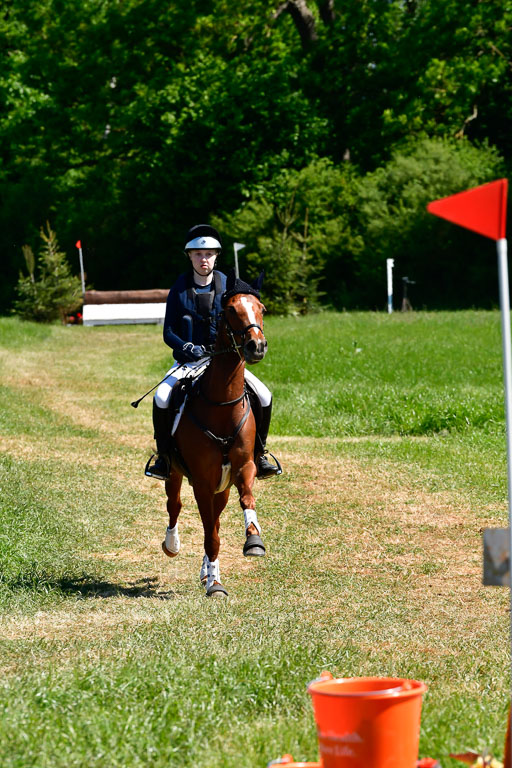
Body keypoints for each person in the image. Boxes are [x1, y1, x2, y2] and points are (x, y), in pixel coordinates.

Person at [145, 224, 281, 482]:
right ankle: (163, 458)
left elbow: (246, 310)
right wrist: (186, 347)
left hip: (224, 362)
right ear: (189, 256)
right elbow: (168, 332)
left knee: (264, 395)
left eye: (208, 254)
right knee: (161, 396)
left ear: (216, 256)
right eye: (198, 254)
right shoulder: (179, 288)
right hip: (188, 361)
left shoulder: (227, 286)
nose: (203, 259)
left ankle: (260, 454)